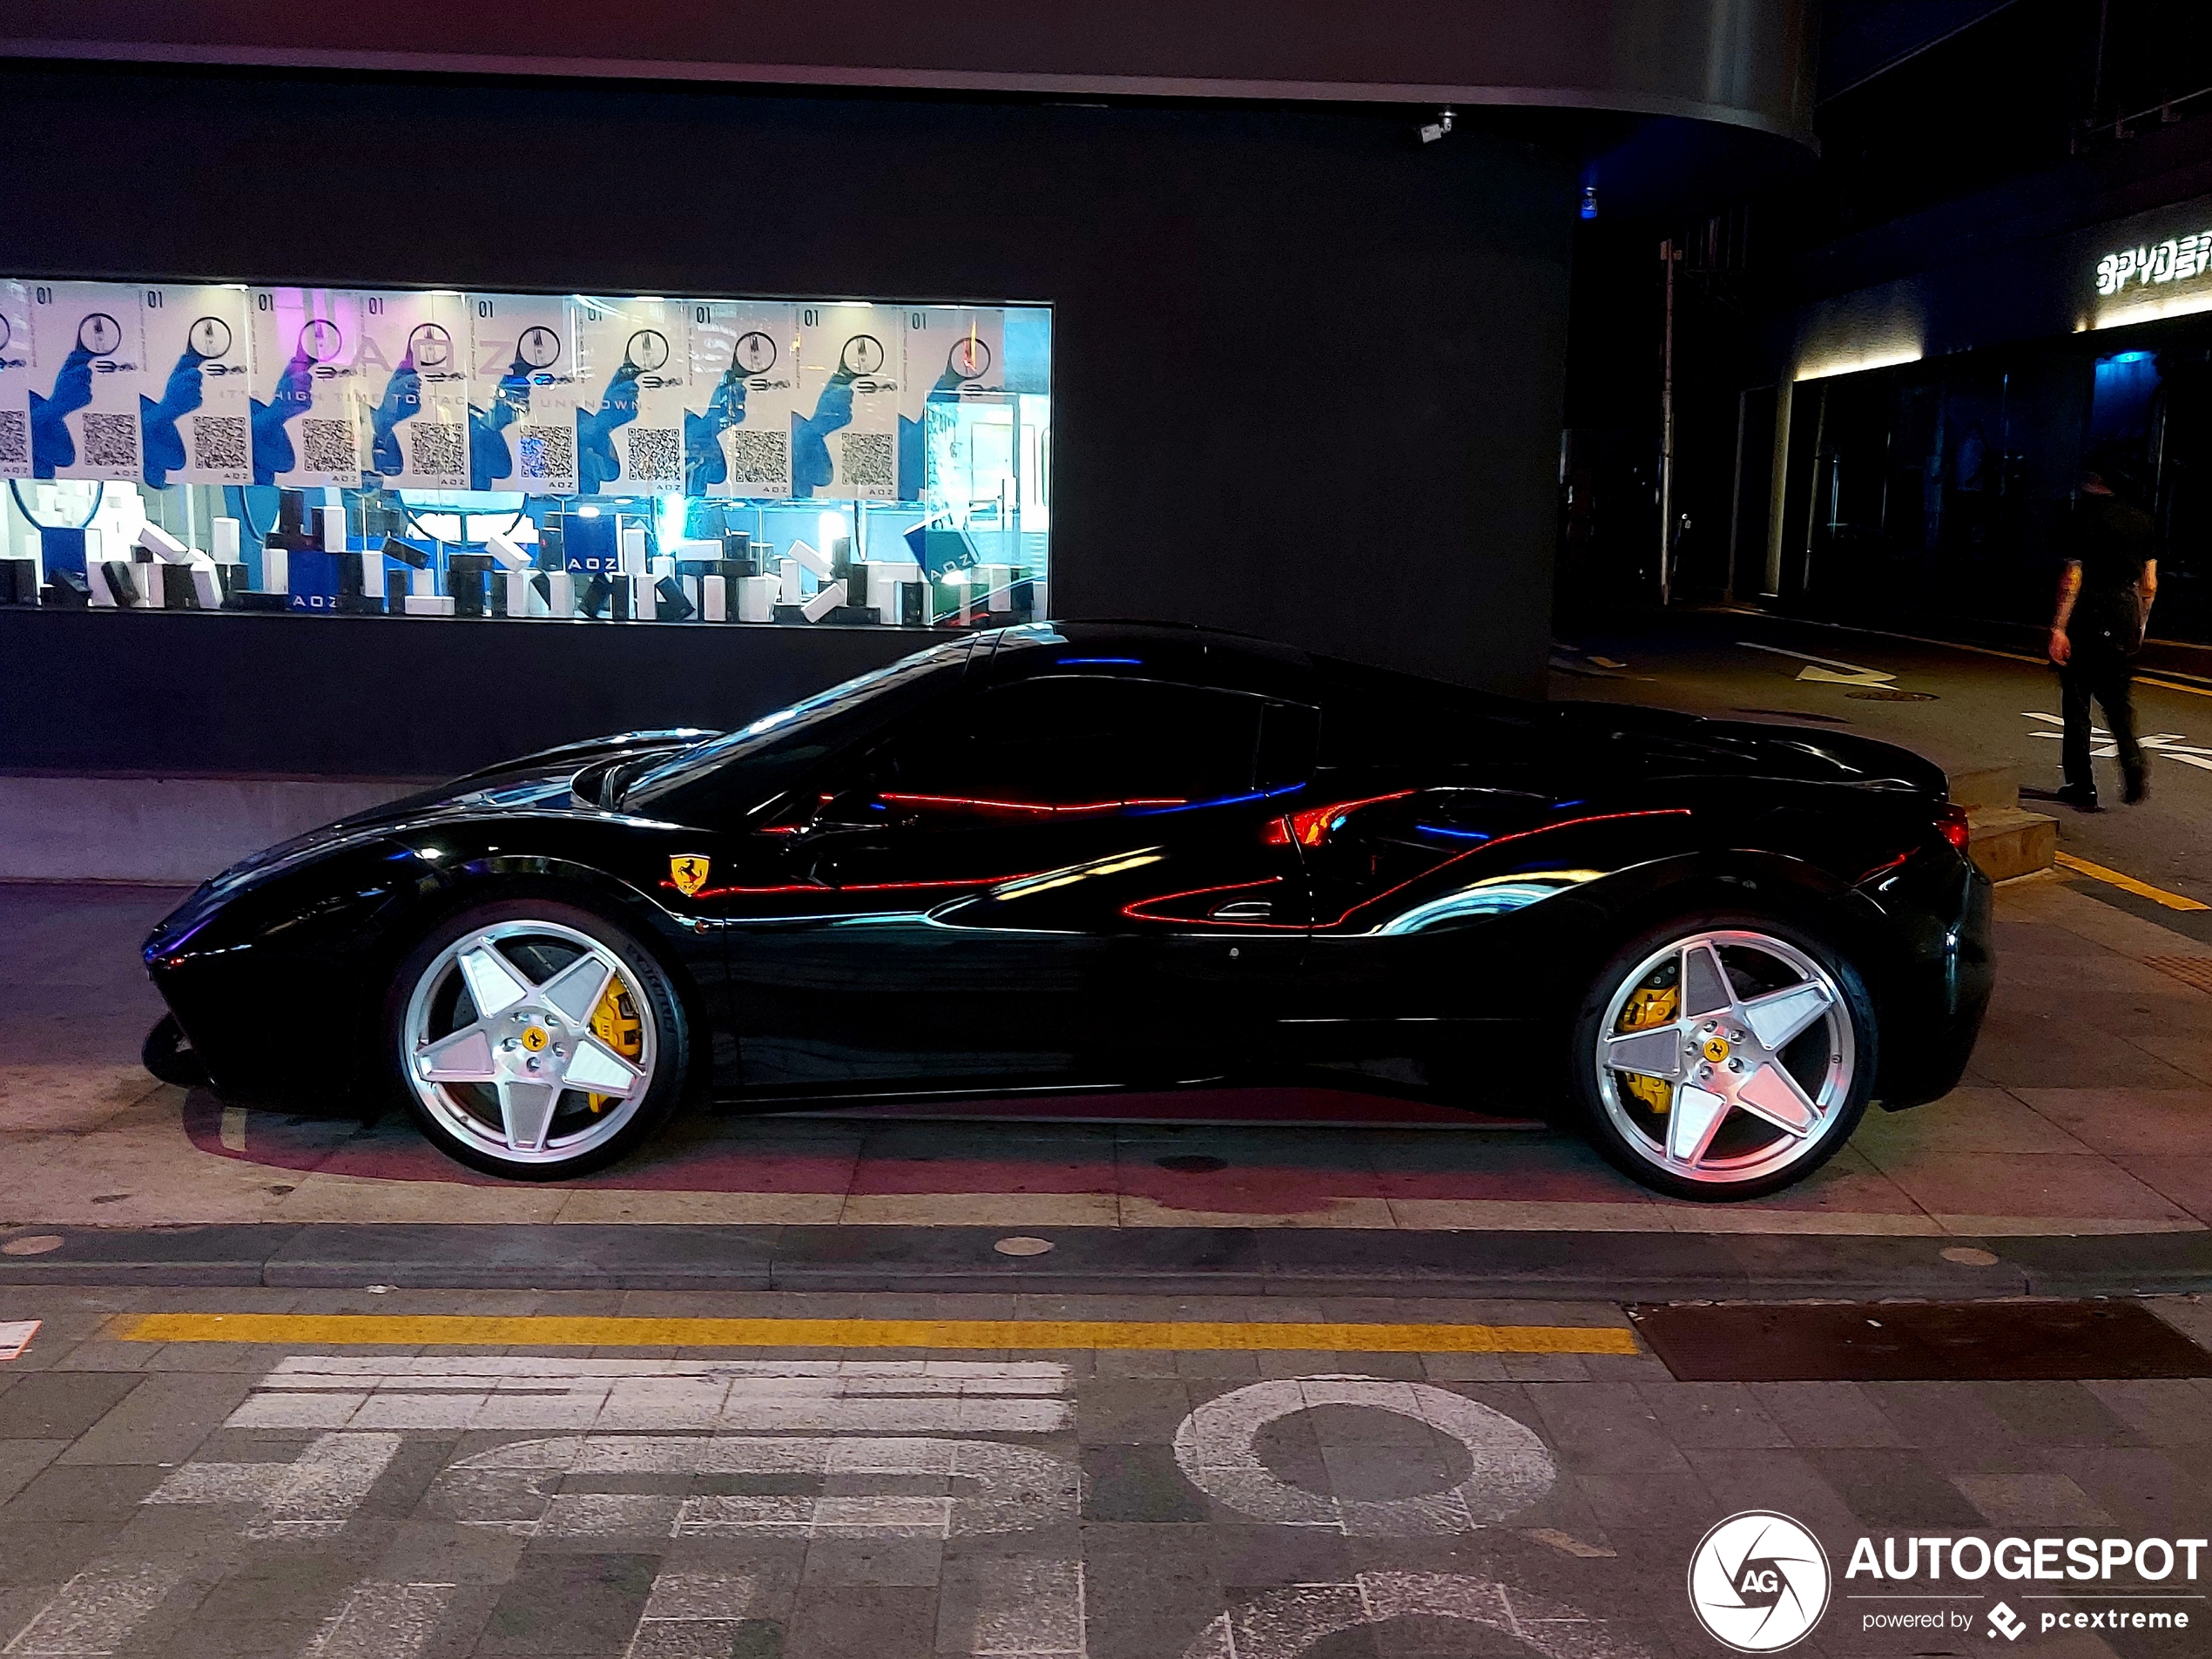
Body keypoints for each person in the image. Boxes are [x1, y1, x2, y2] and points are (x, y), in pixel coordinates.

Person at [2047, 465, 2158, 810]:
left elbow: (2073, 576)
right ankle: (2132, 761)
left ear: (2095, 482)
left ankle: (2082, 784)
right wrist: (2139, 626)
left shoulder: (2080, 517)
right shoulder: (2142, 521)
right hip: (2124, 610)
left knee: (2077, 701)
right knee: (2117, 700)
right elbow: (2150, 583)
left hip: (2088, 612)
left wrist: (2059, 627)